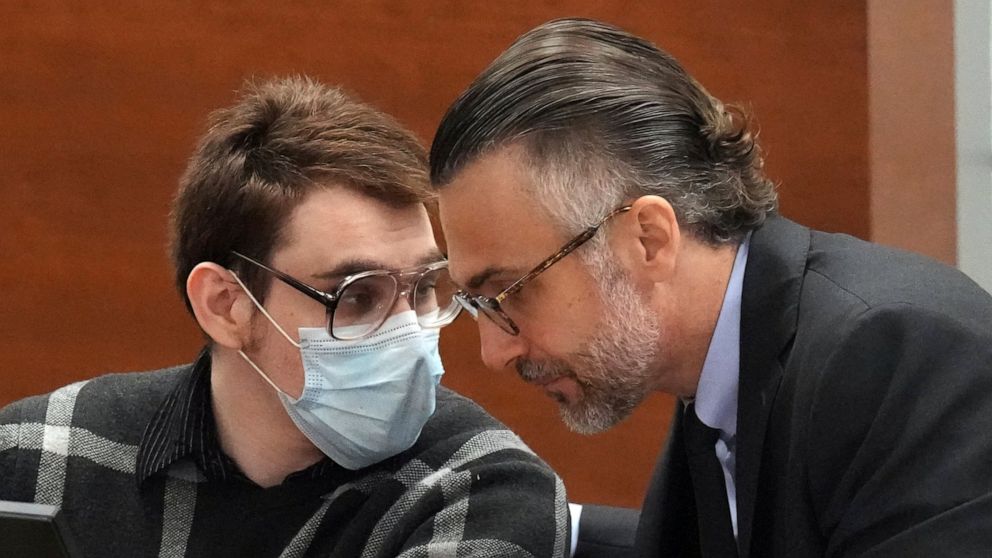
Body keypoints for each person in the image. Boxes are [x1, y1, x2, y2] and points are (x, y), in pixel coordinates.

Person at [429, 18, 992, 558]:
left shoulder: (896, 353)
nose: (494, 352)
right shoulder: (723, 368)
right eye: (478, 305)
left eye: (513, 291)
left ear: (647, 239)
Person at [0, 76, 569, 557]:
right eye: (357, 296)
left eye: (423, 288)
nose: (408, 332)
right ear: (226, 305)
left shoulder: (485, 489)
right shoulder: (35, 453)